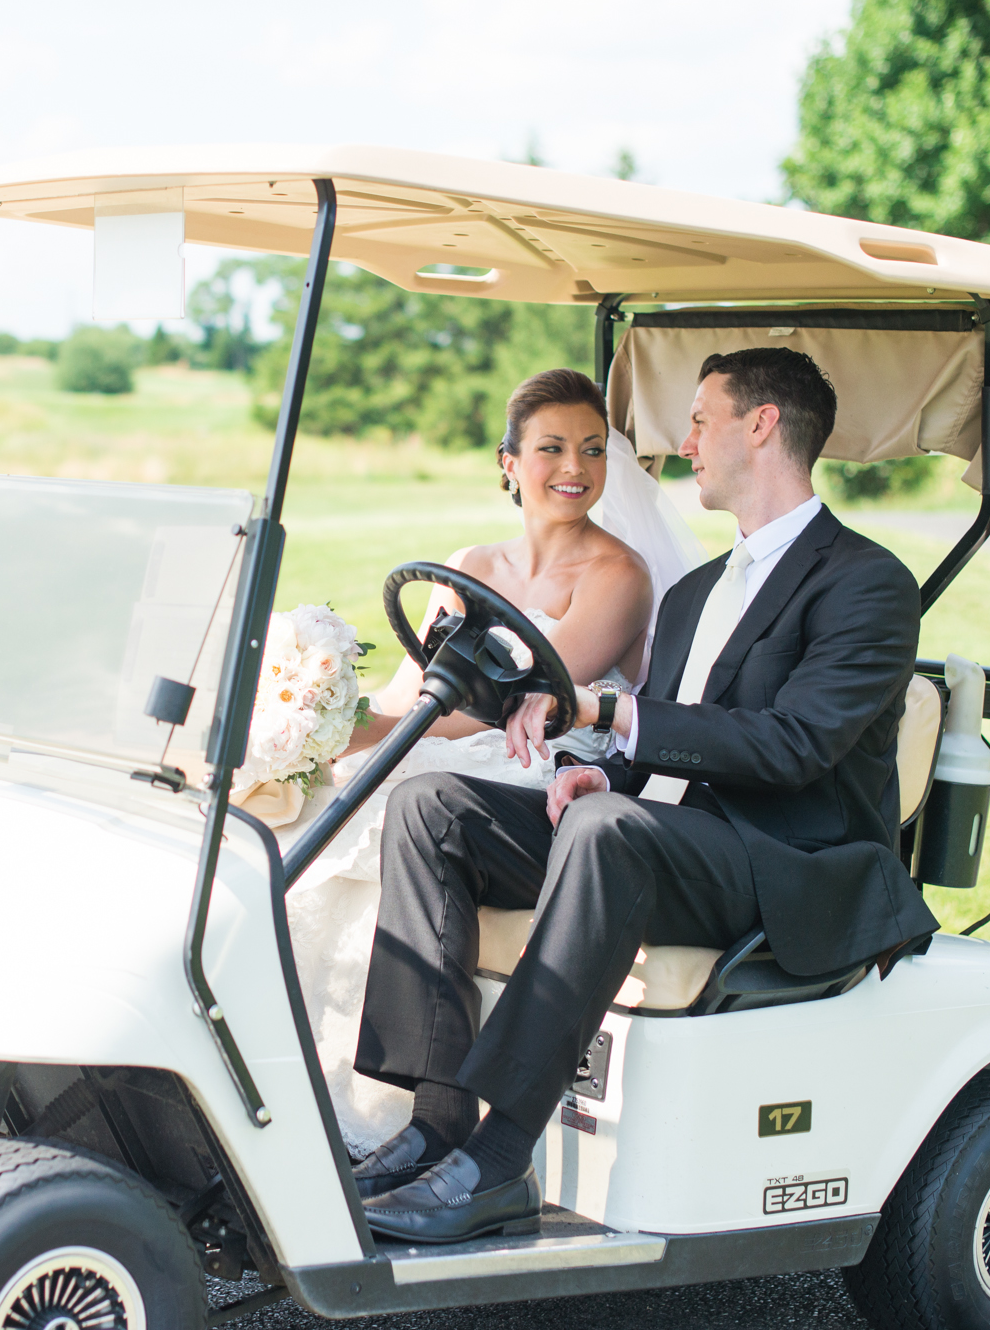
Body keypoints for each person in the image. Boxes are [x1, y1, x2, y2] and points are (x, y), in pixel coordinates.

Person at [351, 347, 938, 1244]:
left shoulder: (865, 583)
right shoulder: (703, 588)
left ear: (762, 424)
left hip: (781, 861)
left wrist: (608, 719)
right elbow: (662, 733)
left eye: (702, 420)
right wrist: (603, 768)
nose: (687, 441)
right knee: (434, 805)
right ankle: (437, 1121)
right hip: (662, 838)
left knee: (606, 832)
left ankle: (498, 1158)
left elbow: (794, 745)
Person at [283, 368, 702, 1156]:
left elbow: (513, 700)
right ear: (509, 462)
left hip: (537, 761)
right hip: (446, 739)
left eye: (590, 449)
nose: (573, 468)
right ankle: (298, 1088)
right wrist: (326, 718)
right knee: (312, 803)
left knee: (395, 801)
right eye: (550, 448)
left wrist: (389, 733)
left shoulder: (618, 576)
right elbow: (414, 691)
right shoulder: (470, 563)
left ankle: (409, 1114)